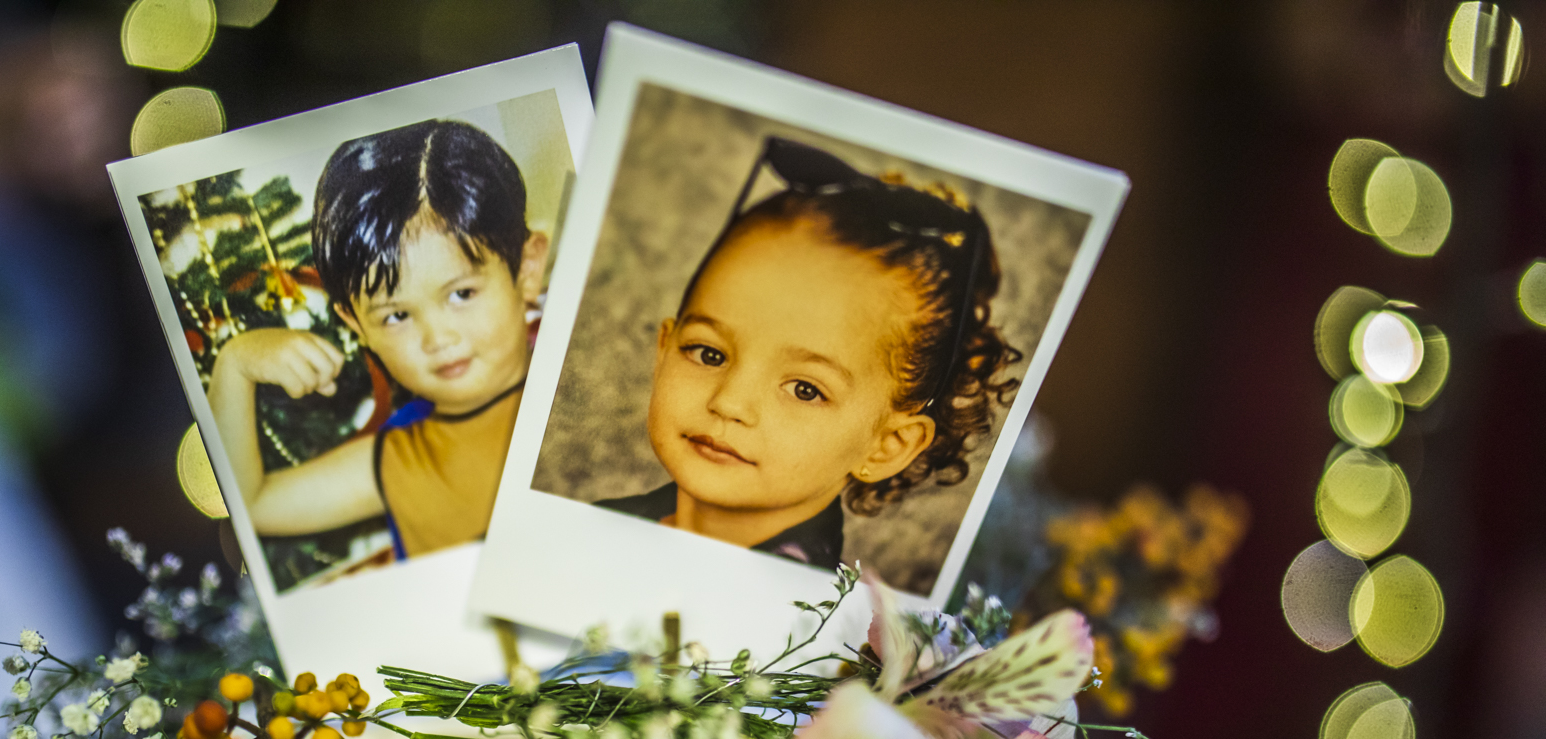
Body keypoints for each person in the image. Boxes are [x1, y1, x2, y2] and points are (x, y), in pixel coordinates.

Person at [598, 136, 1021, 570]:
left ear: (886, 446)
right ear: (664, 350)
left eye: (804, 389)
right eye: (708, 354)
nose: (729, 402)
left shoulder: (811, 629)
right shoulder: (593, 528)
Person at [208, 120, 548, 561]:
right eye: (397, 316)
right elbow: (251, 504)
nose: (437, 338)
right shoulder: (401, 456)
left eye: (462, 294)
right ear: (356, 325)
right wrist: (234, 365)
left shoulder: (579, 382)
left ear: (527, 269)